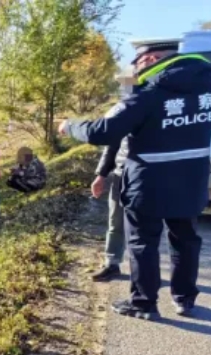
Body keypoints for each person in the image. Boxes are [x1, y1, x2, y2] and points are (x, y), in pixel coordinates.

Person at [59, 43, 211, 320]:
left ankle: (144, 303)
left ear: (150, 59)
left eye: (137, 66)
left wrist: (70, 125)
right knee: (186, 241)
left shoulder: (148, 96)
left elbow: (104, 131)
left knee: (143, 243)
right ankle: (184, 299)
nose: (137, 73)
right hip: (190, 182)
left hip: (148, 184)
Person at [90, 67, 139, 283]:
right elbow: (112, 144)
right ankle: (112, 263)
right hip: (121, 174)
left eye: (127, 82)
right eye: (122, 83)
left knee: (144, 226)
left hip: (147, 176)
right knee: (115, 221)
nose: (123, 87)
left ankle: (144, 271)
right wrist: (101, 175)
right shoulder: (120, 109)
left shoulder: (155, 104)